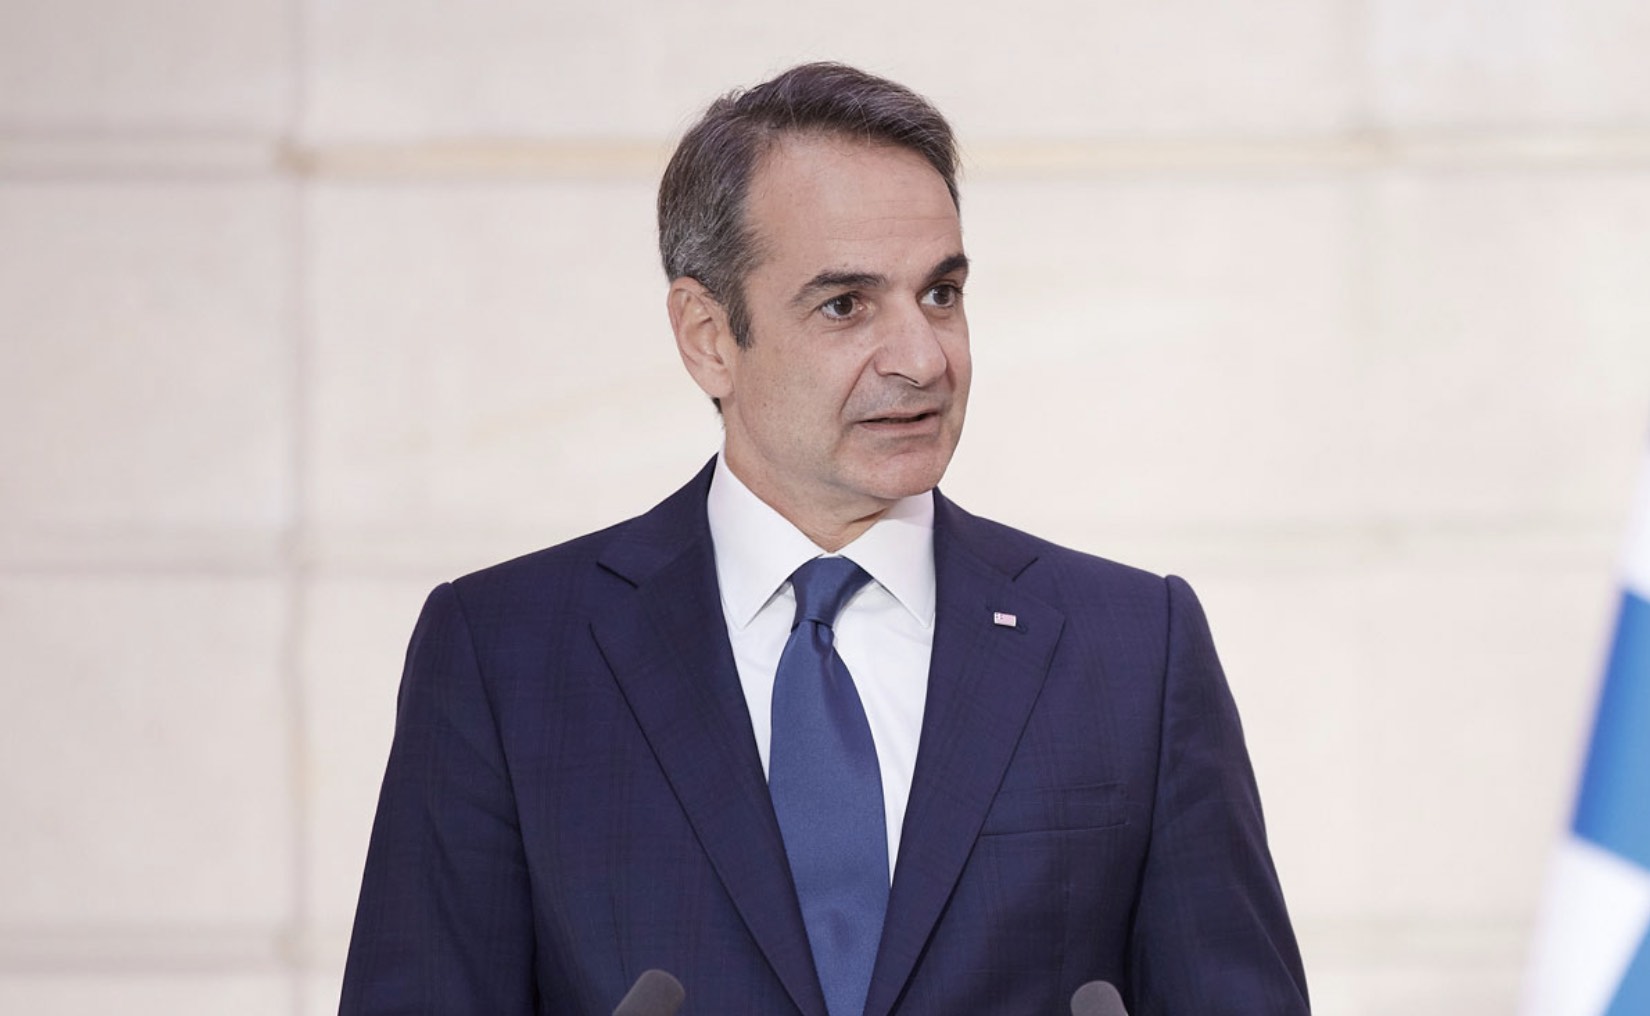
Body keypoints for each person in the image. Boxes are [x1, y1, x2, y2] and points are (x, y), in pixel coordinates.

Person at [339, 62, 1310, 1016]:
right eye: (846, 305)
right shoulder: (504, 655)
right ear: (708, 335)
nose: (922, 357)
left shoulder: (1134, 648)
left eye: (941, 294)